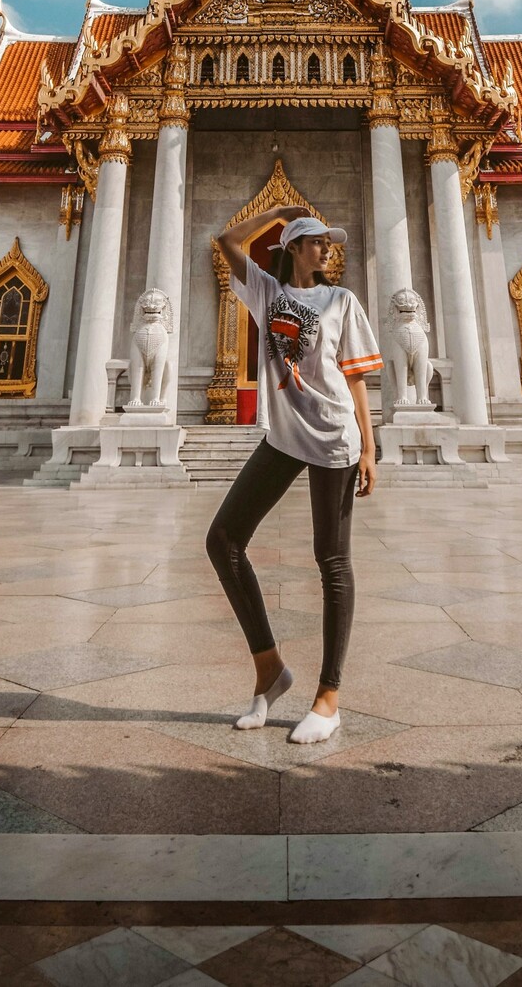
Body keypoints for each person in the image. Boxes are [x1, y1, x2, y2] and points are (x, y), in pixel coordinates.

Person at [206, 203, 383, 744]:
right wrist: (281, 212)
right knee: (223, 541)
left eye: (327, 242)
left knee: (331, 560)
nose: (325, 248)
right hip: (283, 436)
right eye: (314, 241)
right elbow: (226, 243)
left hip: (335, 438)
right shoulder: (267, 293)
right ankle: (270, 668)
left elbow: (355, 380)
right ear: (293, 249)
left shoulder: (341, 300)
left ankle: (328, 698)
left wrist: (371, 447)